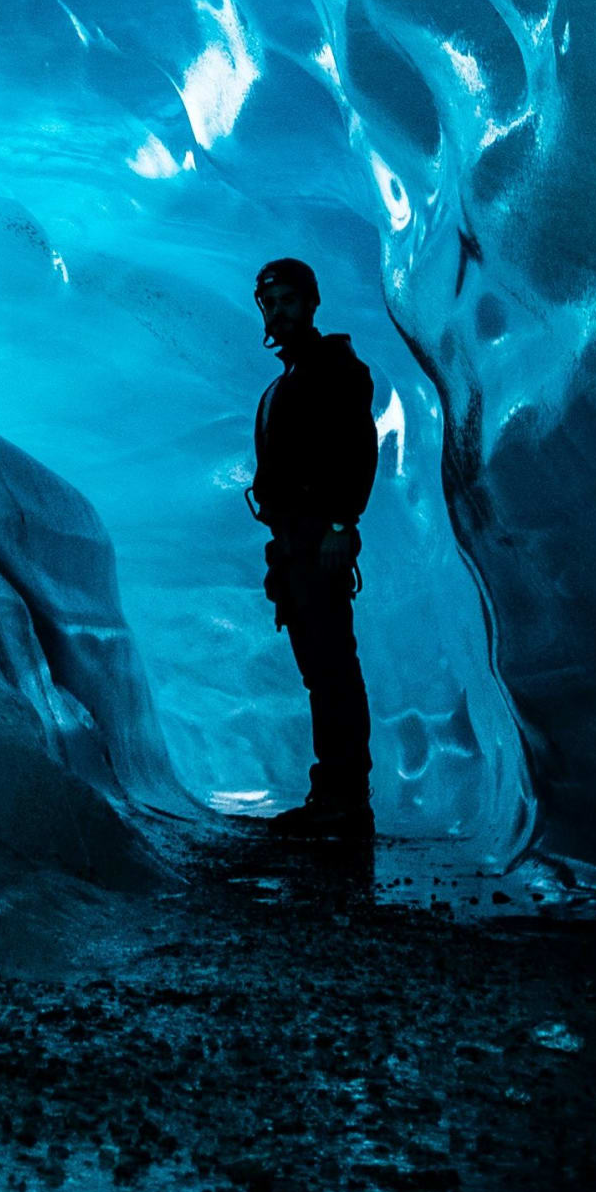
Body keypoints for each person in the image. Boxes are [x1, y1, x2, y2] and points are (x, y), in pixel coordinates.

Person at [248, 257, 375, 835]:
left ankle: (345, 797)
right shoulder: (289, 382)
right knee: (320, 672)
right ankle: (333, 792)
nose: (279, 312)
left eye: (289, 301)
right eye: (271, 304)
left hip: (320, 538)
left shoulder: (333, 370)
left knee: (332, 669)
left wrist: (342, 525)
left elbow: (357, 448)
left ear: (311, 304)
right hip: (295, 545)